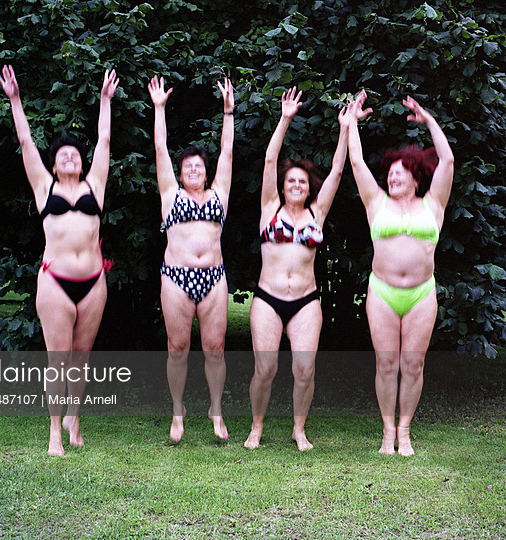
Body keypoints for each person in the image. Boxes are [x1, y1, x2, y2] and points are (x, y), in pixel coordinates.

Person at [0, 65, 119, 455]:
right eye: (62, 155)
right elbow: (25, 140)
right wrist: (15, 100)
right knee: (59, 359)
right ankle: (54, 432)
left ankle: (74, 420)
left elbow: (103, 141)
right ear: (53, 165)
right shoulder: (43, 185)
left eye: (74, 154)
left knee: (81, 358)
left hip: (93, 284)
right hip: (55, 282)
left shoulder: (94, 185)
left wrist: (104, 100)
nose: (69, 157)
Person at [347, 90, 454, 455]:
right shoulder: (376, 203)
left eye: (399, 174)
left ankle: (405, 430)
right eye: (389, 174)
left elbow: (448, 160)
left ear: (415, 177)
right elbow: (357, 164)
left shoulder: (433, 204)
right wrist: (351, 124)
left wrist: (429, 122)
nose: (392, 178)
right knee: (387, 361)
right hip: (382, 292)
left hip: (422, 293)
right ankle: (386, 431)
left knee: (413, 361)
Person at [244, 88, 350, 451]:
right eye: (291, 180)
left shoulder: (316, 214)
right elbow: (270, 159)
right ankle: (256, 425)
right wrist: (286, 117)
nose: (295, 184)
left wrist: (345, 128)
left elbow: (337, 170)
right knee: (266, 369)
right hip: (268, 299)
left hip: (306, 301)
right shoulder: (269, 207)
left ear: (308, 189)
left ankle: (298, 429)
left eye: (302, 182)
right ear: (283, 186)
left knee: (305, 370)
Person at [148, 75, 234, 442]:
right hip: (176, 278)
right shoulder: (171, 194)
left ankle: (216, 411)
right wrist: (159, 108)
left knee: (215, 348)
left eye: (199, 165)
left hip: (213, 278)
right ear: (181, 174)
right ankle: (177, 412)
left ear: (206, 170)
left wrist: (228, 111)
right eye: (188, 167)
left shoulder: (219, 194)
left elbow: (228, 153)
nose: (193, 169)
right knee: (177, 348)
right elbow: (160, 149)